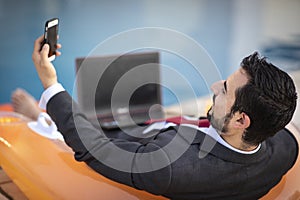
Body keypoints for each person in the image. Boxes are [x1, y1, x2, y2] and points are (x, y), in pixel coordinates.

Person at [25, 35, 298, 200]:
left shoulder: (171, 167)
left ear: (241, 121)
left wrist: (50, 84)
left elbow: (95, 149)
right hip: (162, 127)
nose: (215, 86)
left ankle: (40, 118)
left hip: (121, 143)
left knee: (42, 122)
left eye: (225, 89)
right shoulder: (284, 149)